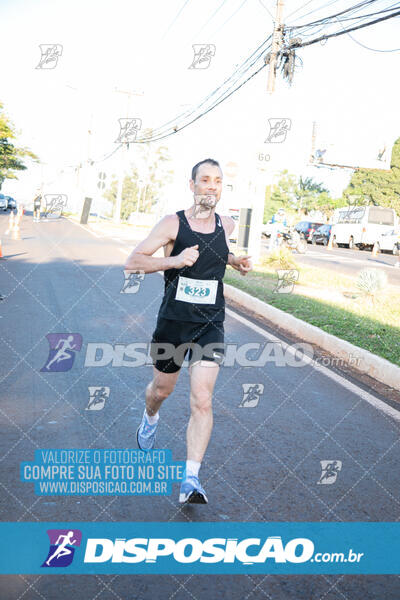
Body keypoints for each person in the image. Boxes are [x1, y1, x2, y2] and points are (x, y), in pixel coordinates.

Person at [124, 158, 252, 504]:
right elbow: (134, 261)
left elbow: (216, 253)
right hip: (174, 325)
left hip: (210, 324)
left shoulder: (226, 224)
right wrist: (173, 261)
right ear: (192, 184)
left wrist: (235, 261)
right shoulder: (172, 223)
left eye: (218, 181)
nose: (212, 186)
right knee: (161, 390)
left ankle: (191, 479)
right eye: (205, 180)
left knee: (202, 400)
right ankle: (150, 417)